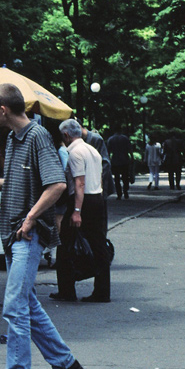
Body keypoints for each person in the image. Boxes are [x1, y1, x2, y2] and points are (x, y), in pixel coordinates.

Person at [0, 83, 84, 369]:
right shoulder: (13, 138)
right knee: (27, 304)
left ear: (3, 109)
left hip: (27, 233)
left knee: (14, 306)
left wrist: (31, 218)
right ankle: (64, 364)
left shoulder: (37, 136)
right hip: (15, 233)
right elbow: (19, 182)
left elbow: (56, 185)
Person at [53, 119, 110, 303]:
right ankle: (102, 290)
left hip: (81, 200)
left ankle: (66, 289)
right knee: (98, 245)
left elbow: (79, 183)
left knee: (64, 245)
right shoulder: (92, 150)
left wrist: (76, 210)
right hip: (97, 198)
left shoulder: (75, 153)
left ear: (66, 135)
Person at [106, 130, 133, 199]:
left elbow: (108, 151)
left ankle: (119, 193)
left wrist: (108, 160)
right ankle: (125, 190)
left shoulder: (111, 139)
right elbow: (130, 148)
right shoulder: (125, 138)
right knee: (125, 176)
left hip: (115, 160)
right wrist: (132, 157)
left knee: (117, 178)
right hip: (124, 159)